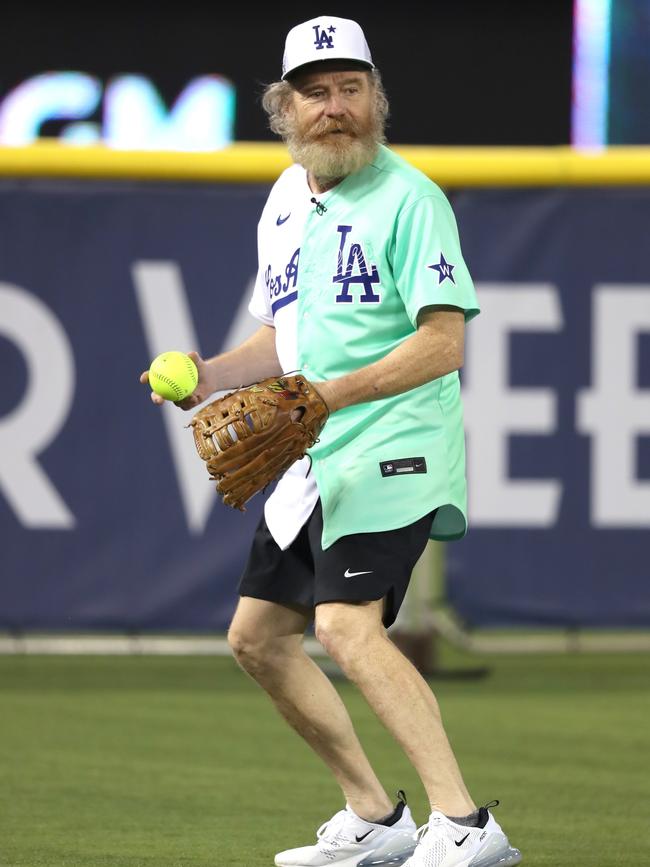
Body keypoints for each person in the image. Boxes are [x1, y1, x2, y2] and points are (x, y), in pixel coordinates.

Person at [141, 14, 521, 867]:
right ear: (285, 108)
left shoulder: (410, 197)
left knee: (347, 627)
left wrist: (332, 392)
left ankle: (463, 825)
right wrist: (208, 375)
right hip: (314, 456)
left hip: (396, 442)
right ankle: (374, 817)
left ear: (376, 98)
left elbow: (442, 343)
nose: (336, 107)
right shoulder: (285, 199)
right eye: (317, 93)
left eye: (352, 88)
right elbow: (282, 337)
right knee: (258, 638)